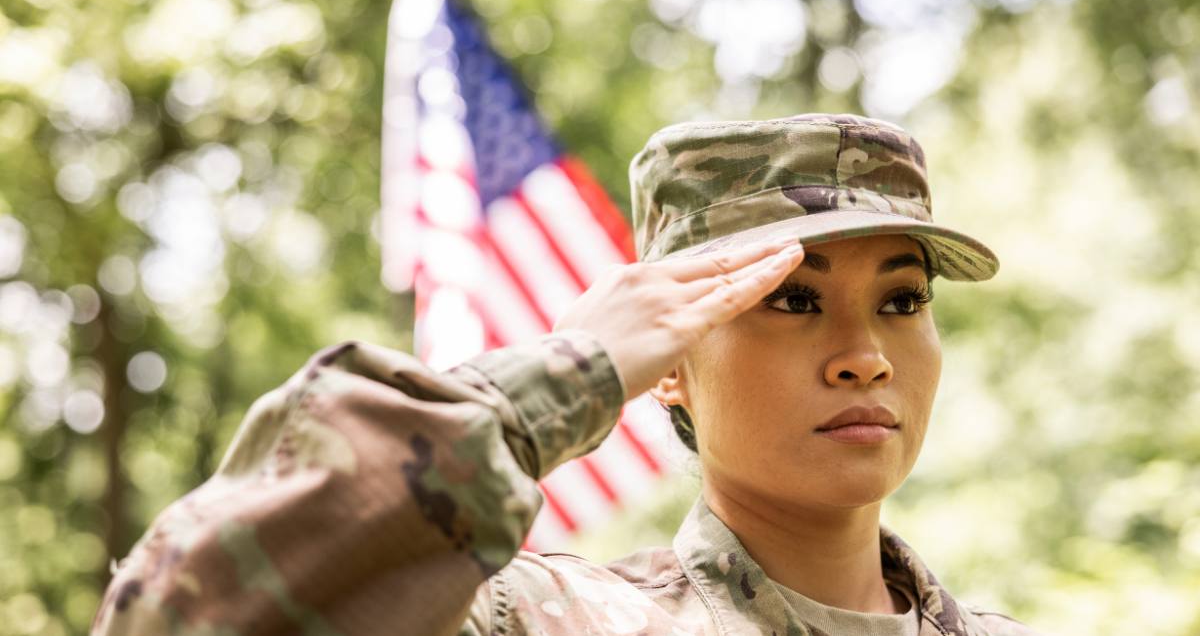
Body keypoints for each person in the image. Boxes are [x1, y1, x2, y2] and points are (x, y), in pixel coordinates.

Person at [92, 113, 1039, 635]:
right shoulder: (540, 624)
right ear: (668, 365)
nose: (865, 354)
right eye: (792, 299)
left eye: (903, 299)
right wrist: (557, 379)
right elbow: (187, 617)